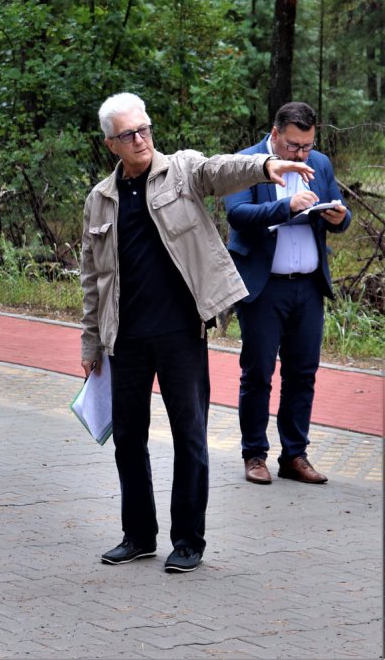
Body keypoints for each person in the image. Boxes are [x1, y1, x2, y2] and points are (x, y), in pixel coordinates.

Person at [79, 92, 314, 574]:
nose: (141, 139)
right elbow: (93, 277)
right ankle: (138, 535)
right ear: (110, 144)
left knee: (189, 436)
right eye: (128, 134)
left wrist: (264, 165)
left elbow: (220, 170)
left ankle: (188, 539)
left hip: (180, 331)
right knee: (128, 438)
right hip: (123, 336)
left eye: (144, 128)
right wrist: (90, 342)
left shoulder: (181, 170)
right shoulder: (100, 200)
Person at [225, 101, 351, 486]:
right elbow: (237, 215)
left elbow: (339, 217)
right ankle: (254, 454)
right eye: (294, 146)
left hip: (309, 287)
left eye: (307, 147)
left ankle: (294, 455)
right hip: (265, 287)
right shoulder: (246, 162)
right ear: (275, 134)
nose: (301, 154)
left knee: (303, 373)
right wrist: (284, 207)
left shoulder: (322, 164)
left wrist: (340, 217)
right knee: (259, 372)